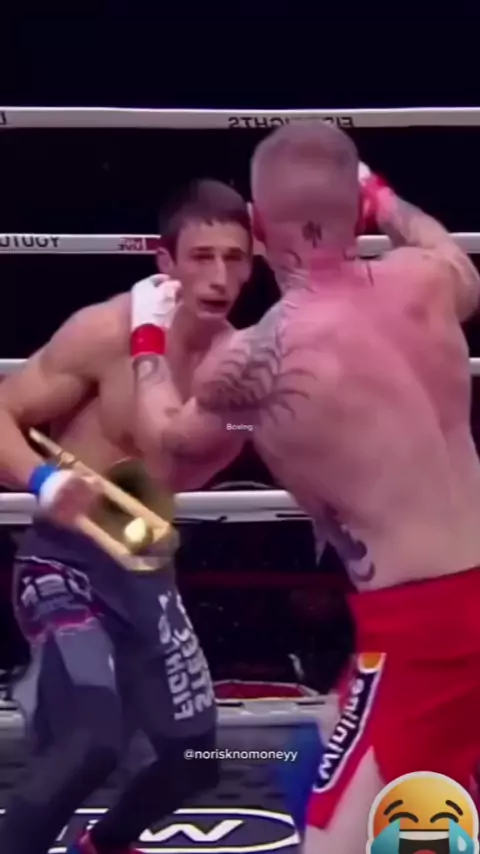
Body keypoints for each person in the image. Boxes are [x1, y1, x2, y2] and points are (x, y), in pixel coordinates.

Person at [136, 123, 480, 854]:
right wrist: (384, 198)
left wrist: (148, 333)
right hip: (449, 606)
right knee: (339, 728)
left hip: (423, 632)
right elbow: (450, 253)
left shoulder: (261, 355)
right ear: (359, 213)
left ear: (256, 227)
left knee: (332, 843)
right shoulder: (429, 279)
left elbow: (168, 439)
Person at [0, 179, 253, 854]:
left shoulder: (241, 367)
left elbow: (183, 440)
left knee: (195, 760)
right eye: (201, 256)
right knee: (91, 741)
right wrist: (44, 479)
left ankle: (105, 846)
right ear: (166, 262)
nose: (218, 276)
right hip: (62, 562)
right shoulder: (104, 332)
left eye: (235, 258)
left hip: (144, 566)